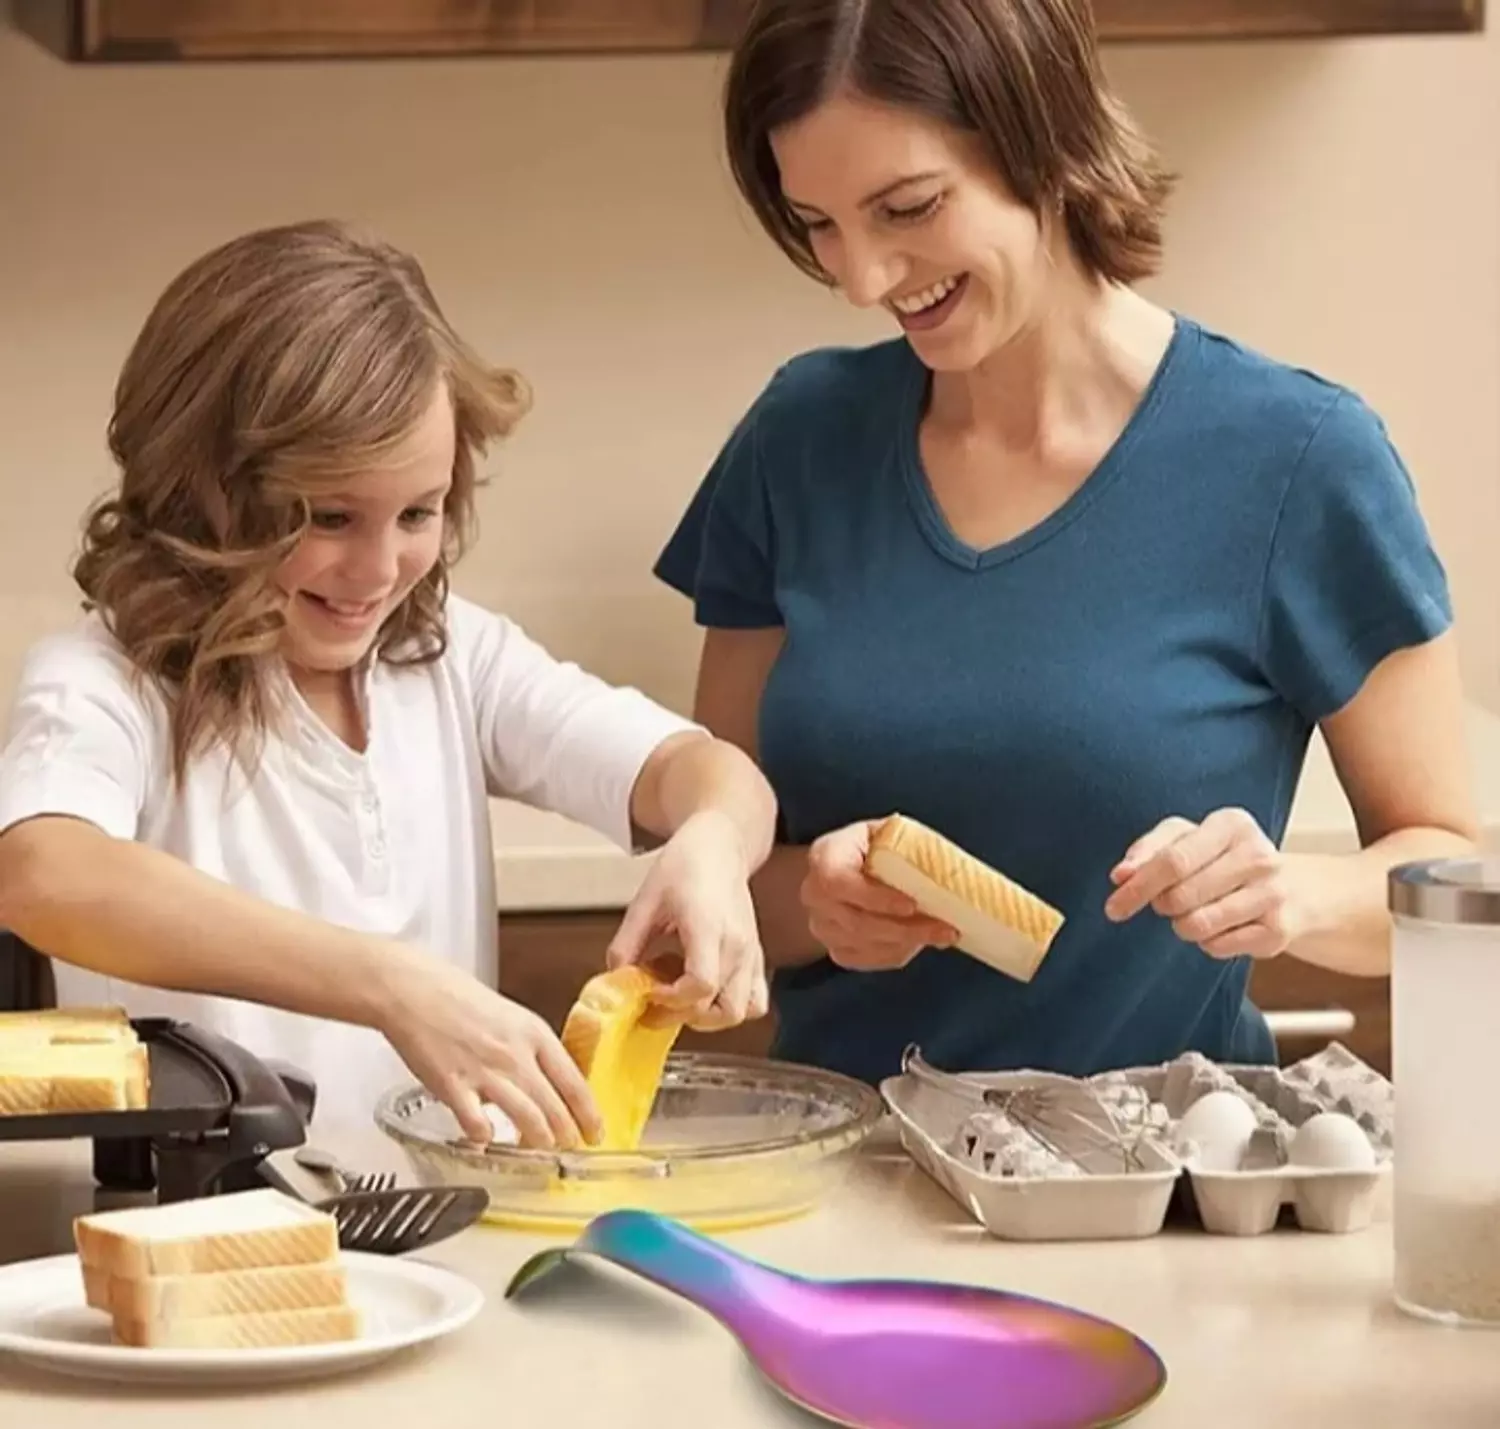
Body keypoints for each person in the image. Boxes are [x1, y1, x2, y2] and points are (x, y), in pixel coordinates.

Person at [653, 0, 1479, 1089]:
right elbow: (722, 866)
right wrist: (810, 902)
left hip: (1149, 1193)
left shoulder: (1297, 459)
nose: (862, 278)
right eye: (818, 224)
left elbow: (1456, 874)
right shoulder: (797, 440)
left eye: (907, 206)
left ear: (1041, 137)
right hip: (838, 1176)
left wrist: (1294, 898)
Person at [0, 219, 777, 1147]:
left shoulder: (451, 660)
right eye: (329, 516)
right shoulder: (107, 680)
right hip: (204, 1244)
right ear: (200, 490)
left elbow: (706, 769)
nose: (378, 568)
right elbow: (42, 871)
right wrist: (390, 984)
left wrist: (715, 844)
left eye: (418, 511)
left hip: (434, 1245)